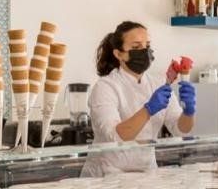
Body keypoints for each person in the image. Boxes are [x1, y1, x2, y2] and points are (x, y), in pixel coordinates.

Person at [82, 21, 196, 175]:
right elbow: (115, 137)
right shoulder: (105, 87)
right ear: (118, 54)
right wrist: (148, 110)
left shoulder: (159, 84)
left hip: (147, 174)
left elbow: (180, 131)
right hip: (108, 176)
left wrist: (188, 112)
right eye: (136, 48)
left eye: (147, 46)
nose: (144, 52)